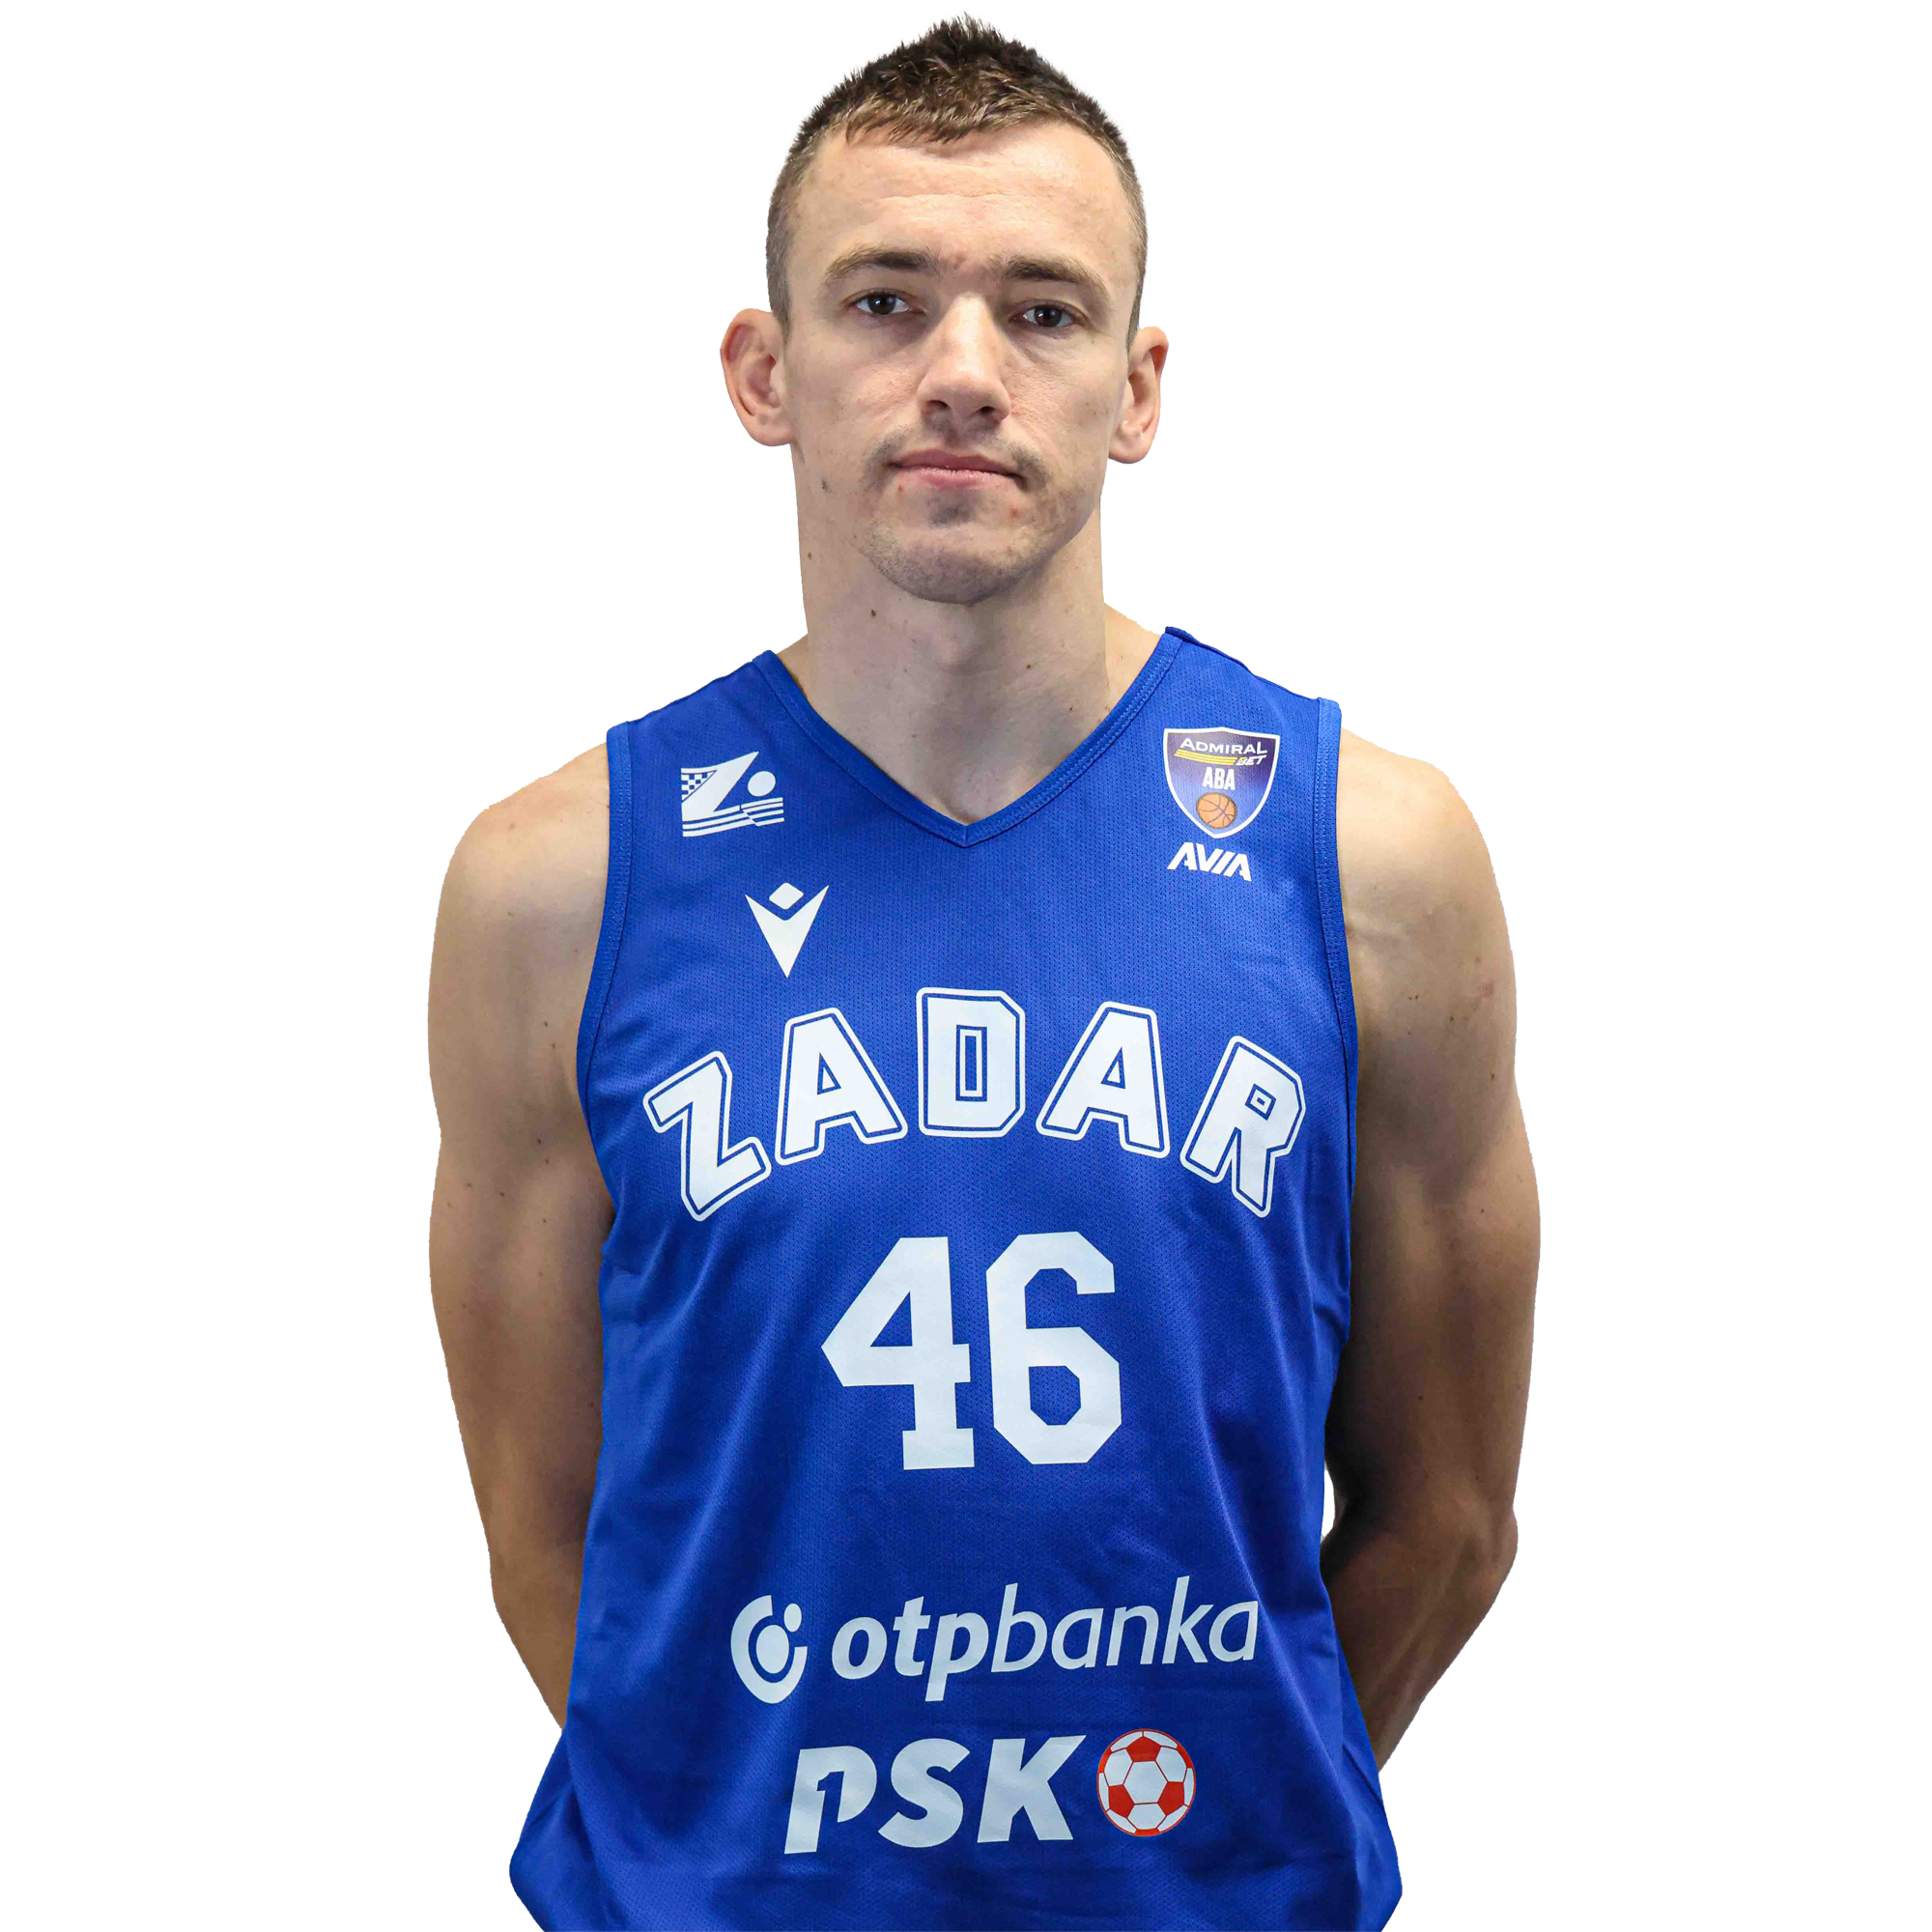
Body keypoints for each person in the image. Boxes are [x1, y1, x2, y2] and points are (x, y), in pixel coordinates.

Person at [428, 14, 1537, 1930]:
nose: (961, 369)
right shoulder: (558, 885)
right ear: (765, 372)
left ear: (1136, 385)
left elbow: (1444, 1516)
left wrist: (1192, 1853)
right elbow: (543, 1523)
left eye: (1042, 309)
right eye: (883, 301)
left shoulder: (1371, 860)